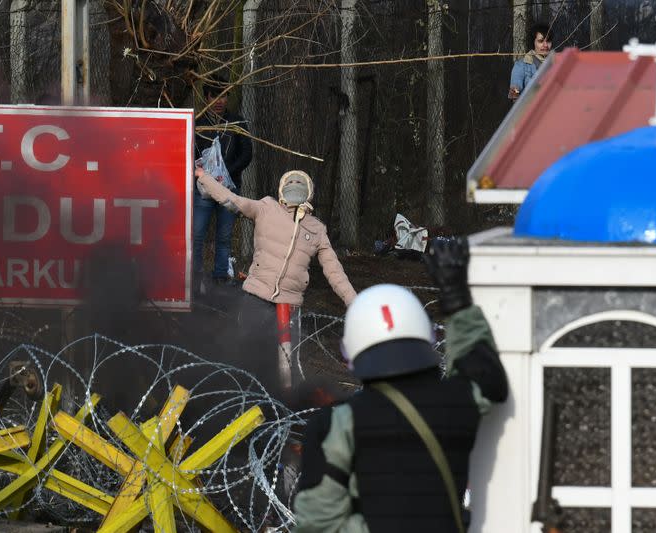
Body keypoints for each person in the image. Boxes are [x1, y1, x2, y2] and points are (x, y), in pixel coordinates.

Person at [292, 237, 508, 533]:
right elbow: (482, 367)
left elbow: (318, 524)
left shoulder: (335, 425)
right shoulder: (457, 404)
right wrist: (456, 297)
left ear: (351, 355)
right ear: (428, 338)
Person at [194, 167, 357, 389]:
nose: (295, 188)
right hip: (256, 297)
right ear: (282, 188)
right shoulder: (266, 208)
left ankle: (286, 410)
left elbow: (334, 270)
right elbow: (231, 200)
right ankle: (242, 403)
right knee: (245, 355)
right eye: (291, 183)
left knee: (287, 366)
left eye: (300, 184)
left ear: (309, 192)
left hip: (289, 305)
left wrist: (354, 302)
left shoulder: (317, 229)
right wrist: (205, 178)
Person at [193, 74, 253, 289]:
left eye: (223, 96)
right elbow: (190, 154)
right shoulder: (197, 124)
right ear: (206, 98)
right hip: (202, 190)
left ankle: (220, 276)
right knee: (197, 233)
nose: (219, 101)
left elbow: (246, 154)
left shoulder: (237, 123)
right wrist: (202, 172)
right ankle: (195, 277)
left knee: (224, 235)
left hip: (229, 187)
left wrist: (226, 173)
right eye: (214, 96)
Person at [509, 23, 553, 100]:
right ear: (534, 42)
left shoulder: (558, 63)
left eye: (548, 41)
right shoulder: (521, 66)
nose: (545, 45)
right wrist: (515, 91)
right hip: (532, 109)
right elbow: (515, 90)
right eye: (541, 41)